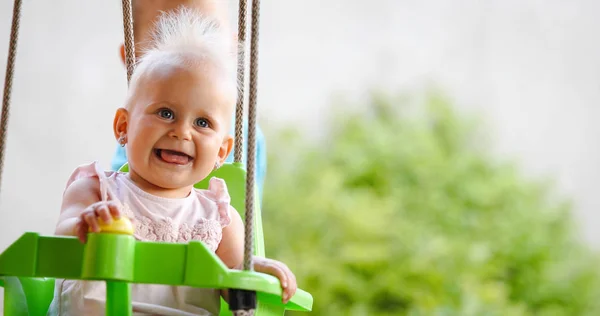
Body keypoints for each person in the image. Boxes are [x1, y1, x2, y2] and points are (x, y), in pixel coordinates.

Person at [48, 8, 295, 315]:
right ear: (123, 127)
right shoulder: (94, 191)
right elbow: (61, 240)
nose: (182, 132)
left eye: (203, 122)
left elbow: (236, 285)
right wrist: (85, 223)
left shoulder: (220, 222)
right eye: (166, 113)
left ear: (221, 151)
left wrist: (255, 269)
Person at [111, 0, 268, 202]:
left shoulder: (247, 138)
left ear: (233, 47)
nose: (190, 51)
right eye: (168, 32)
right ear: (130, 57)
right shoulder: (137, 132)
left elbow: (249, 222)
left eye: (209, 32)